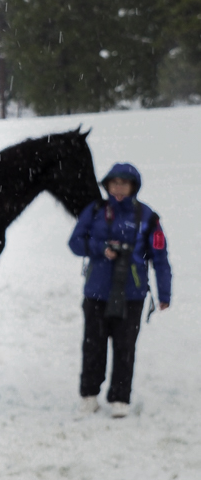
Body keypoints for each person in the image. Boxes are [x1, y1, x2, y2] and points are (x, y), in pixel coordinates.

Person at [68, 162, 171, 418]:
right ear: (107, 185)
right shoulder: (94, 211)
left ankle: (120, 398)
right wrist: (100, 248)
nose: (119, 188)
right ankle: (89, 395)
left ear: (133, 186)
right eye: (114, 183)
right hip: (96, 293)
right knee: (93, 346)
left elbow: (160, 256)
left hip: (132, 295)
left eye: (124, 183)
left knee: (125, 347)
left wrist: (164, 293)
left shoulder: (149, 217)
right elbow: (75, 242)